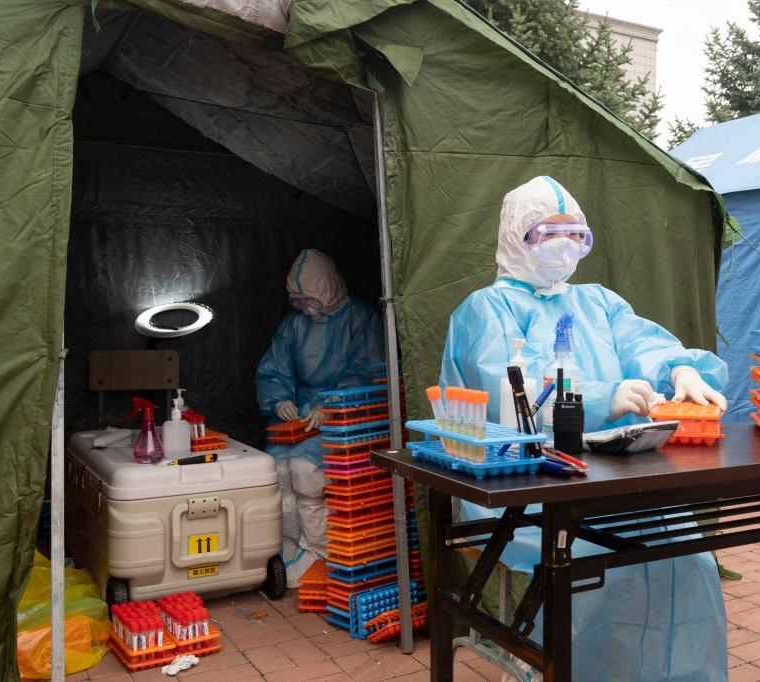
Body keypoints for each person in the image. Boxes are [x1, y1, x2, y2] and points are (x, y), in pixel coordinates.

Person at [440, 176, 729, 681]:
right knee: (591, 569)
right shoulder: (486, 310)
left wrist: (680, 369)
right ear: (517, 236)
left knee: (687, 558)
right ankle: (562, 666)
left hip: (614, 475)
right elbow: (514, 392)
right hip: (528, 482)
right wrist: (600, 398)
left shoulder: (597, 302)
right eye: (548, 233)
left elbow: (641, 341)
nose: (565, 245)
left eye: (576, 234)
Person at [256, 249, 384, 584]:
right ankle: (289, 549)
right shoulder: (293, 326)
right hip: (302, 417)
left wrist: (335, 404)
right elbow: (274, 369)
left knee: (306, 474)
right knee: (276, 474)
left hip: (346, 421)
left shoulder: (360, 319)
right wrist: (279, 401)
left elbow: (369, 371)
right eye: (297, 301)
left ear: (327, 290)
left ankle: (320, 553)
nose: (304, 308)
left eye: (309, 299)